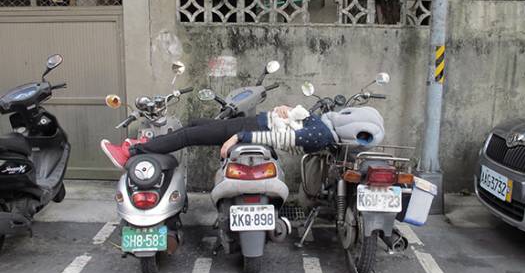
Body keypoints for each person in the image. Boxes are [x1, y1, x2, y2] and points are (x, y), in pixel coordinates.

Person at [101, 104, 385, 169]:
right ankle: (150, 144)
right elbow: (302, 119)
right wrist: (288, 109)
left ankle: (133, 153)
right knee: (197, 124)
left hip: (253, 129)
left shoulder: (322, 136)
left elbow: (281, 140)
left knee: (190, 134)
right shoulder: (323, 127)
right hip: (258, 121)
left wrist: (240, 136)